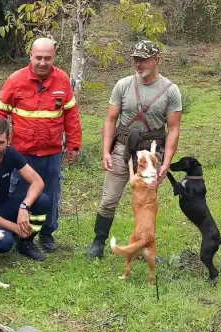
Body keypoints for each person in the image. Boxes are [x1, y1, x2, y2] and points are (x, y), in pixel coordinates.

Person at [87, 40, 182, 259]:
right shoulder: (123, 85)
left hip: (152, 155)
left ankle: (143, 246)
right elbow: (110, 120)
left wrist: (166, 162)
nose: (138, 64)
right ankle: (98, 241)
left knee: (145, 205)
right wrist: (105, 152)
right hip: (122, 149)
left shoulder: (170, 90)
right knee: (109, 199)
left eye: (144, 59)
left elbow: (174, 129)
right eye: (135, 59)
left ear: (157, 60)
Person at [0, 37, 82, 254]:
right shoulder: (15, 80)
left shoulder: (62, 80)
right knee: (21, 195)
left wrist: (74, 145)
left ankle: (47, 233)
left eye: (48, 58)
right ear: (30, 56)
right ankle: (19, 234)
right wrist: (0, 144)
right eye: (39, 57)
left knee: (50, 196)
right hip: (22, 154)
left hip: (51, 153)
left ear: (54, 58)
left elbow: (71, 115)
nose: (43, 62)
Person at [0, 119, 51, 261]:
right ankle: (14, 234)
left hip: (5, 204)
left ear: (9, 139)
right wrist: (14, 227)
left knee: (42, 200)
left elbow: (37, 182)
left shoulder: (11, 154)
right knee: (5, 244)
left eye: (1, 142)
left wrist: (24, 207)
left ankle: (27, 242)